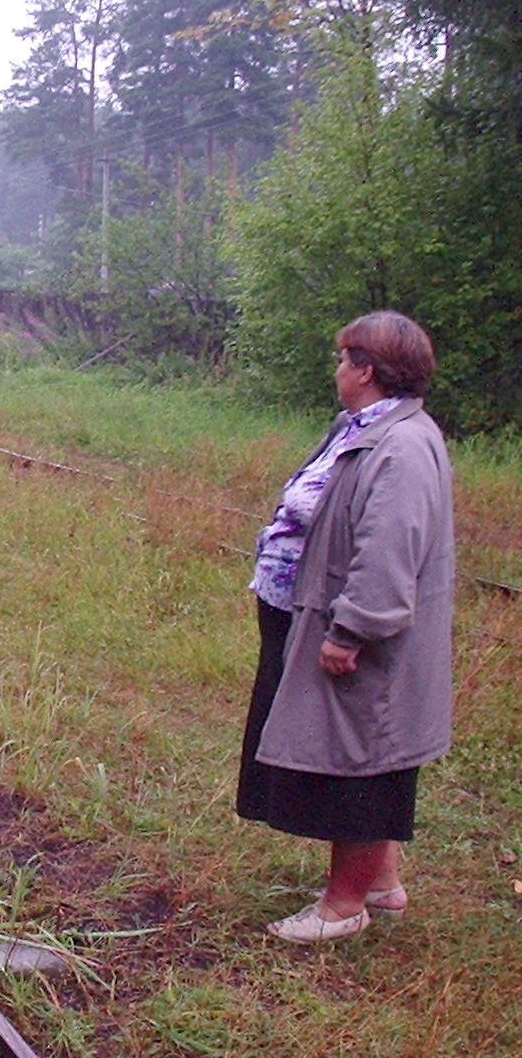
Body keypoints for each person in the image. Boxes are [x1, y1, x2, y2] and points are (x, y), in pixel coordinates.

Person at [237, 310, 455, 943]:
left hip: (351, 634)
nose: (336, 370)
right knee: (350, 751)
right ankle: (380, 882)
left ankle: (343, 906)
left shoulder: (403, 445)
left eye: (342, 359)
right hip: (305, 617)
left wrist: (351, 630)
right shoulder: (363, 427)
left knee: (359, 759)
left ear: (365, 369)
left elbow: (388, 548)